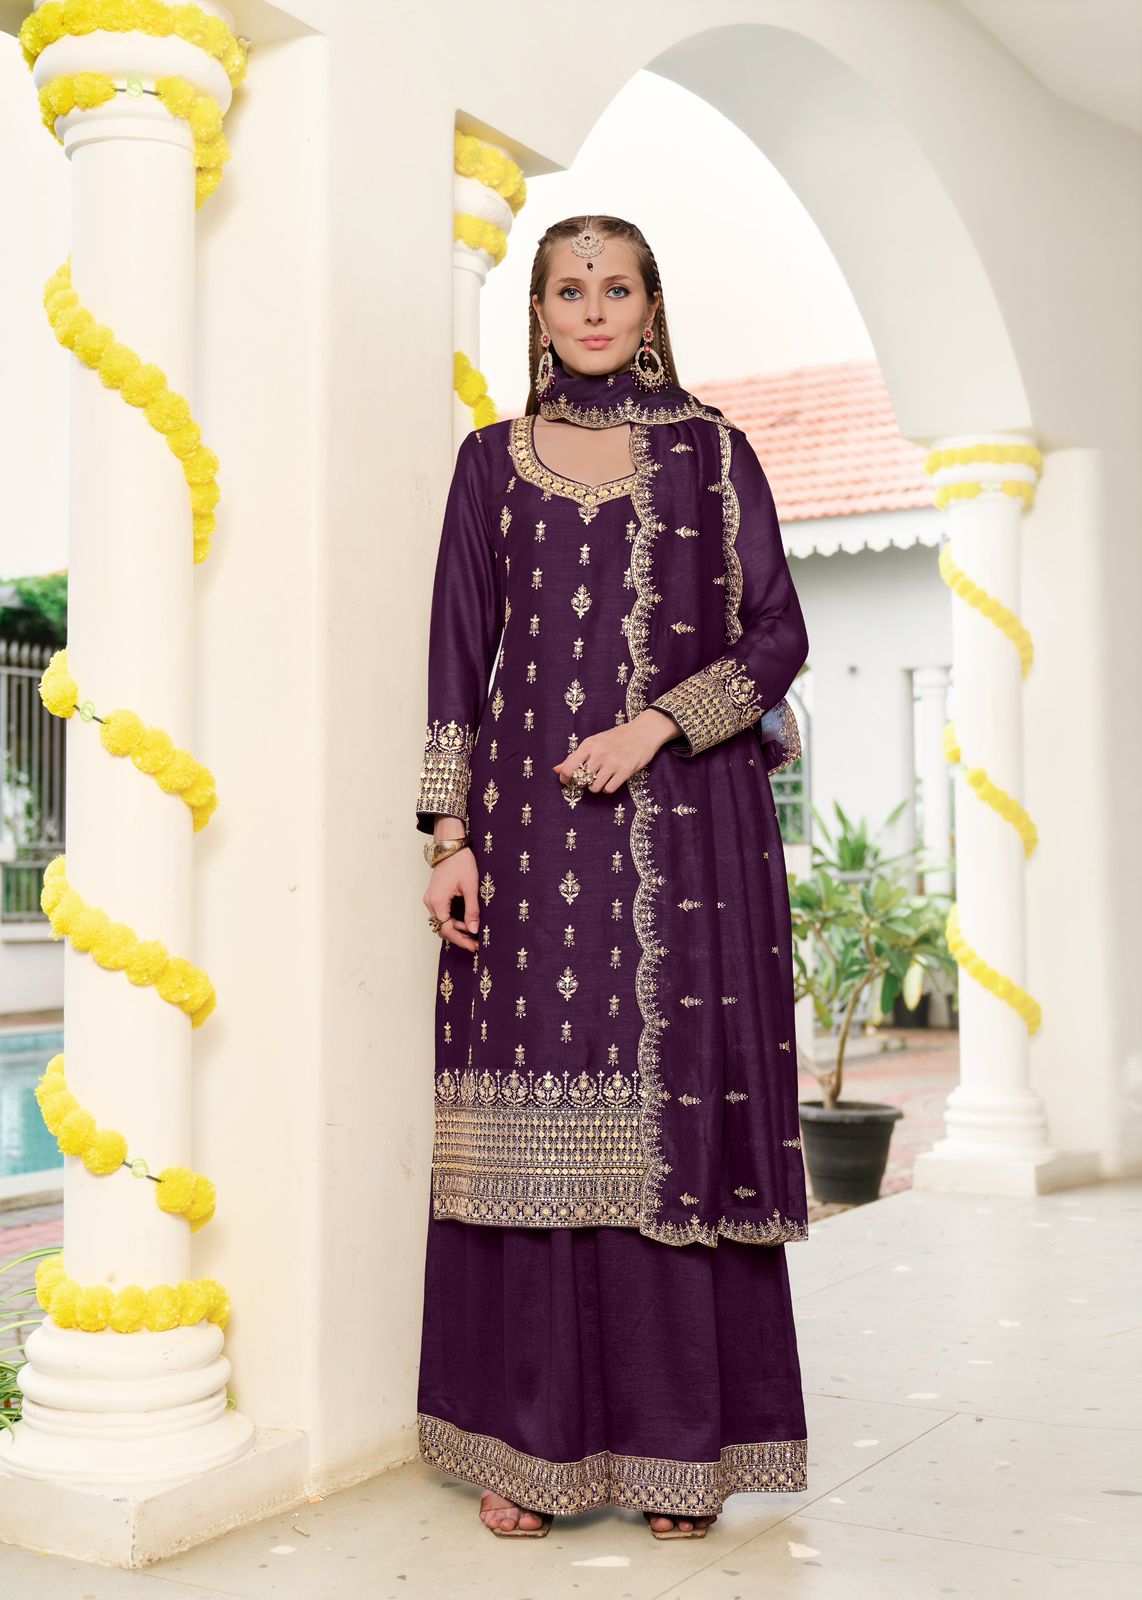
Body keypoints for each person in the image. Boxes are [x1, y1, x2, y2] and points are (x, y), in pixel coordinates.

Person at [414, 215, 811, 1539]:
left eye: (617, 287)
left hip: (684, 836)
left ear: (650, 307)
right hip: (525, 839)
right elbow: (458, 648)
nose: (593, 310)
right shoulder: (489, 462)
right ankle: (525, 1446)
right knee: (526, 1129)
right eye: (569, 289)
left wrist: (656, 727)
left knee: (671, 1127)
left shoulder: (711, 453)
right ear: (537, 312)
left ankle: (678, 1451)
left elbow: (778, 631)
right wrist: (449, 836)